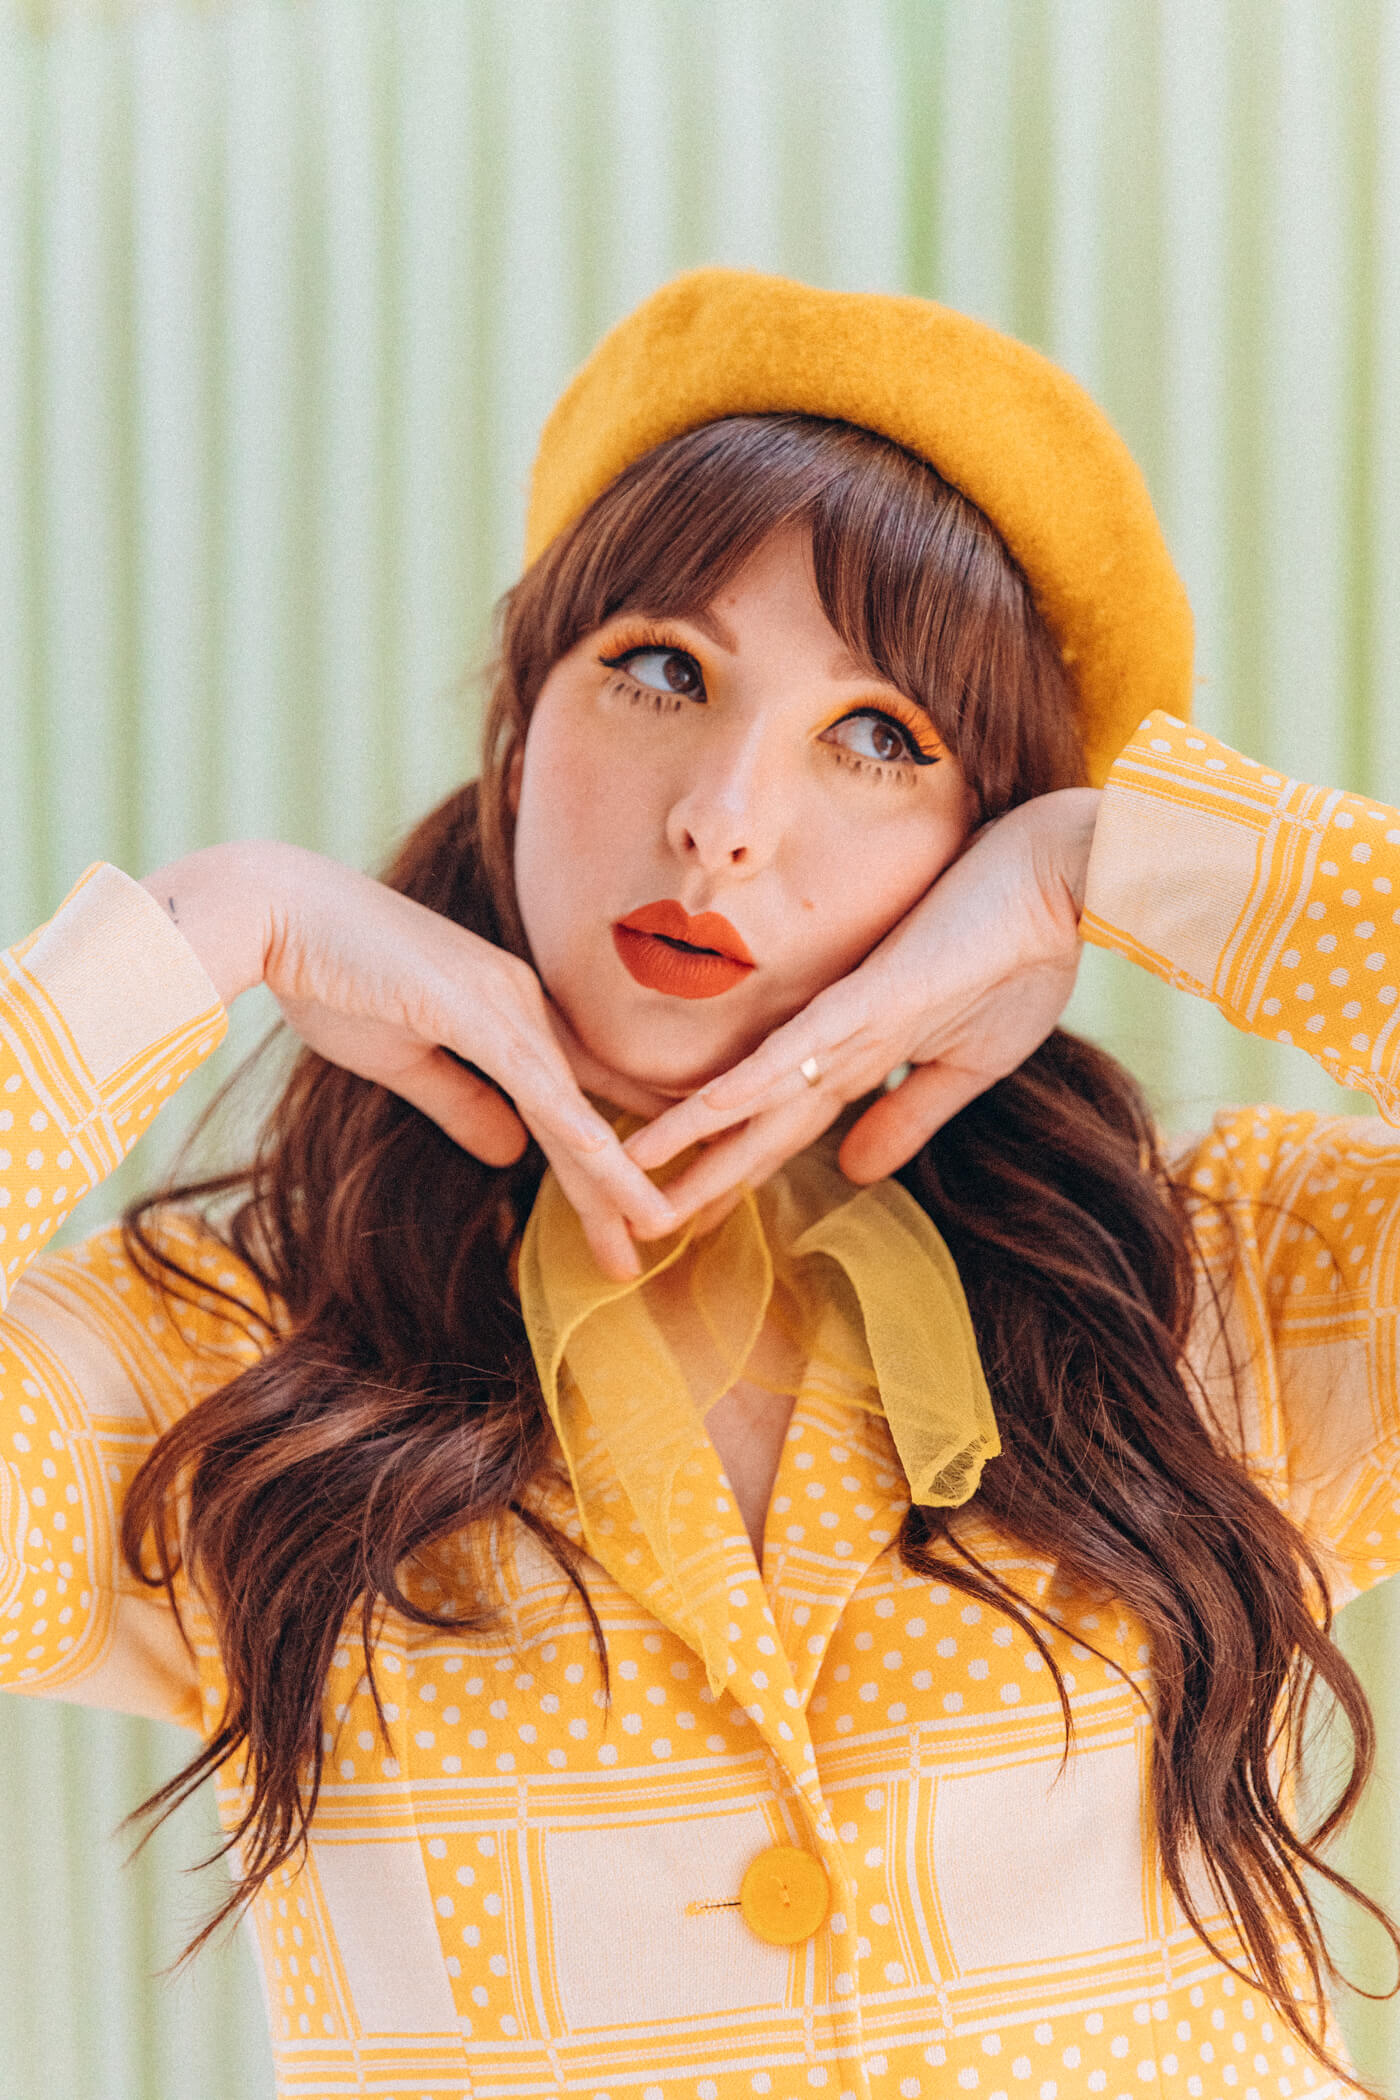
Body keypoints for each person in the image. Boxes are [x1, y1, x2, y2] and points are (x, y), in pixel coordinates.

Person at [1, 266, 1396, 2100]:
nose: (726, 814)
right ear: (518, 730)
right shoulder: (213, 1366)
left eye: (881, 737)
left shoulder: (1217, 1284)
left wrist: (1129, 857)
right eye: (660, 670)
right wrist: (193, 935)